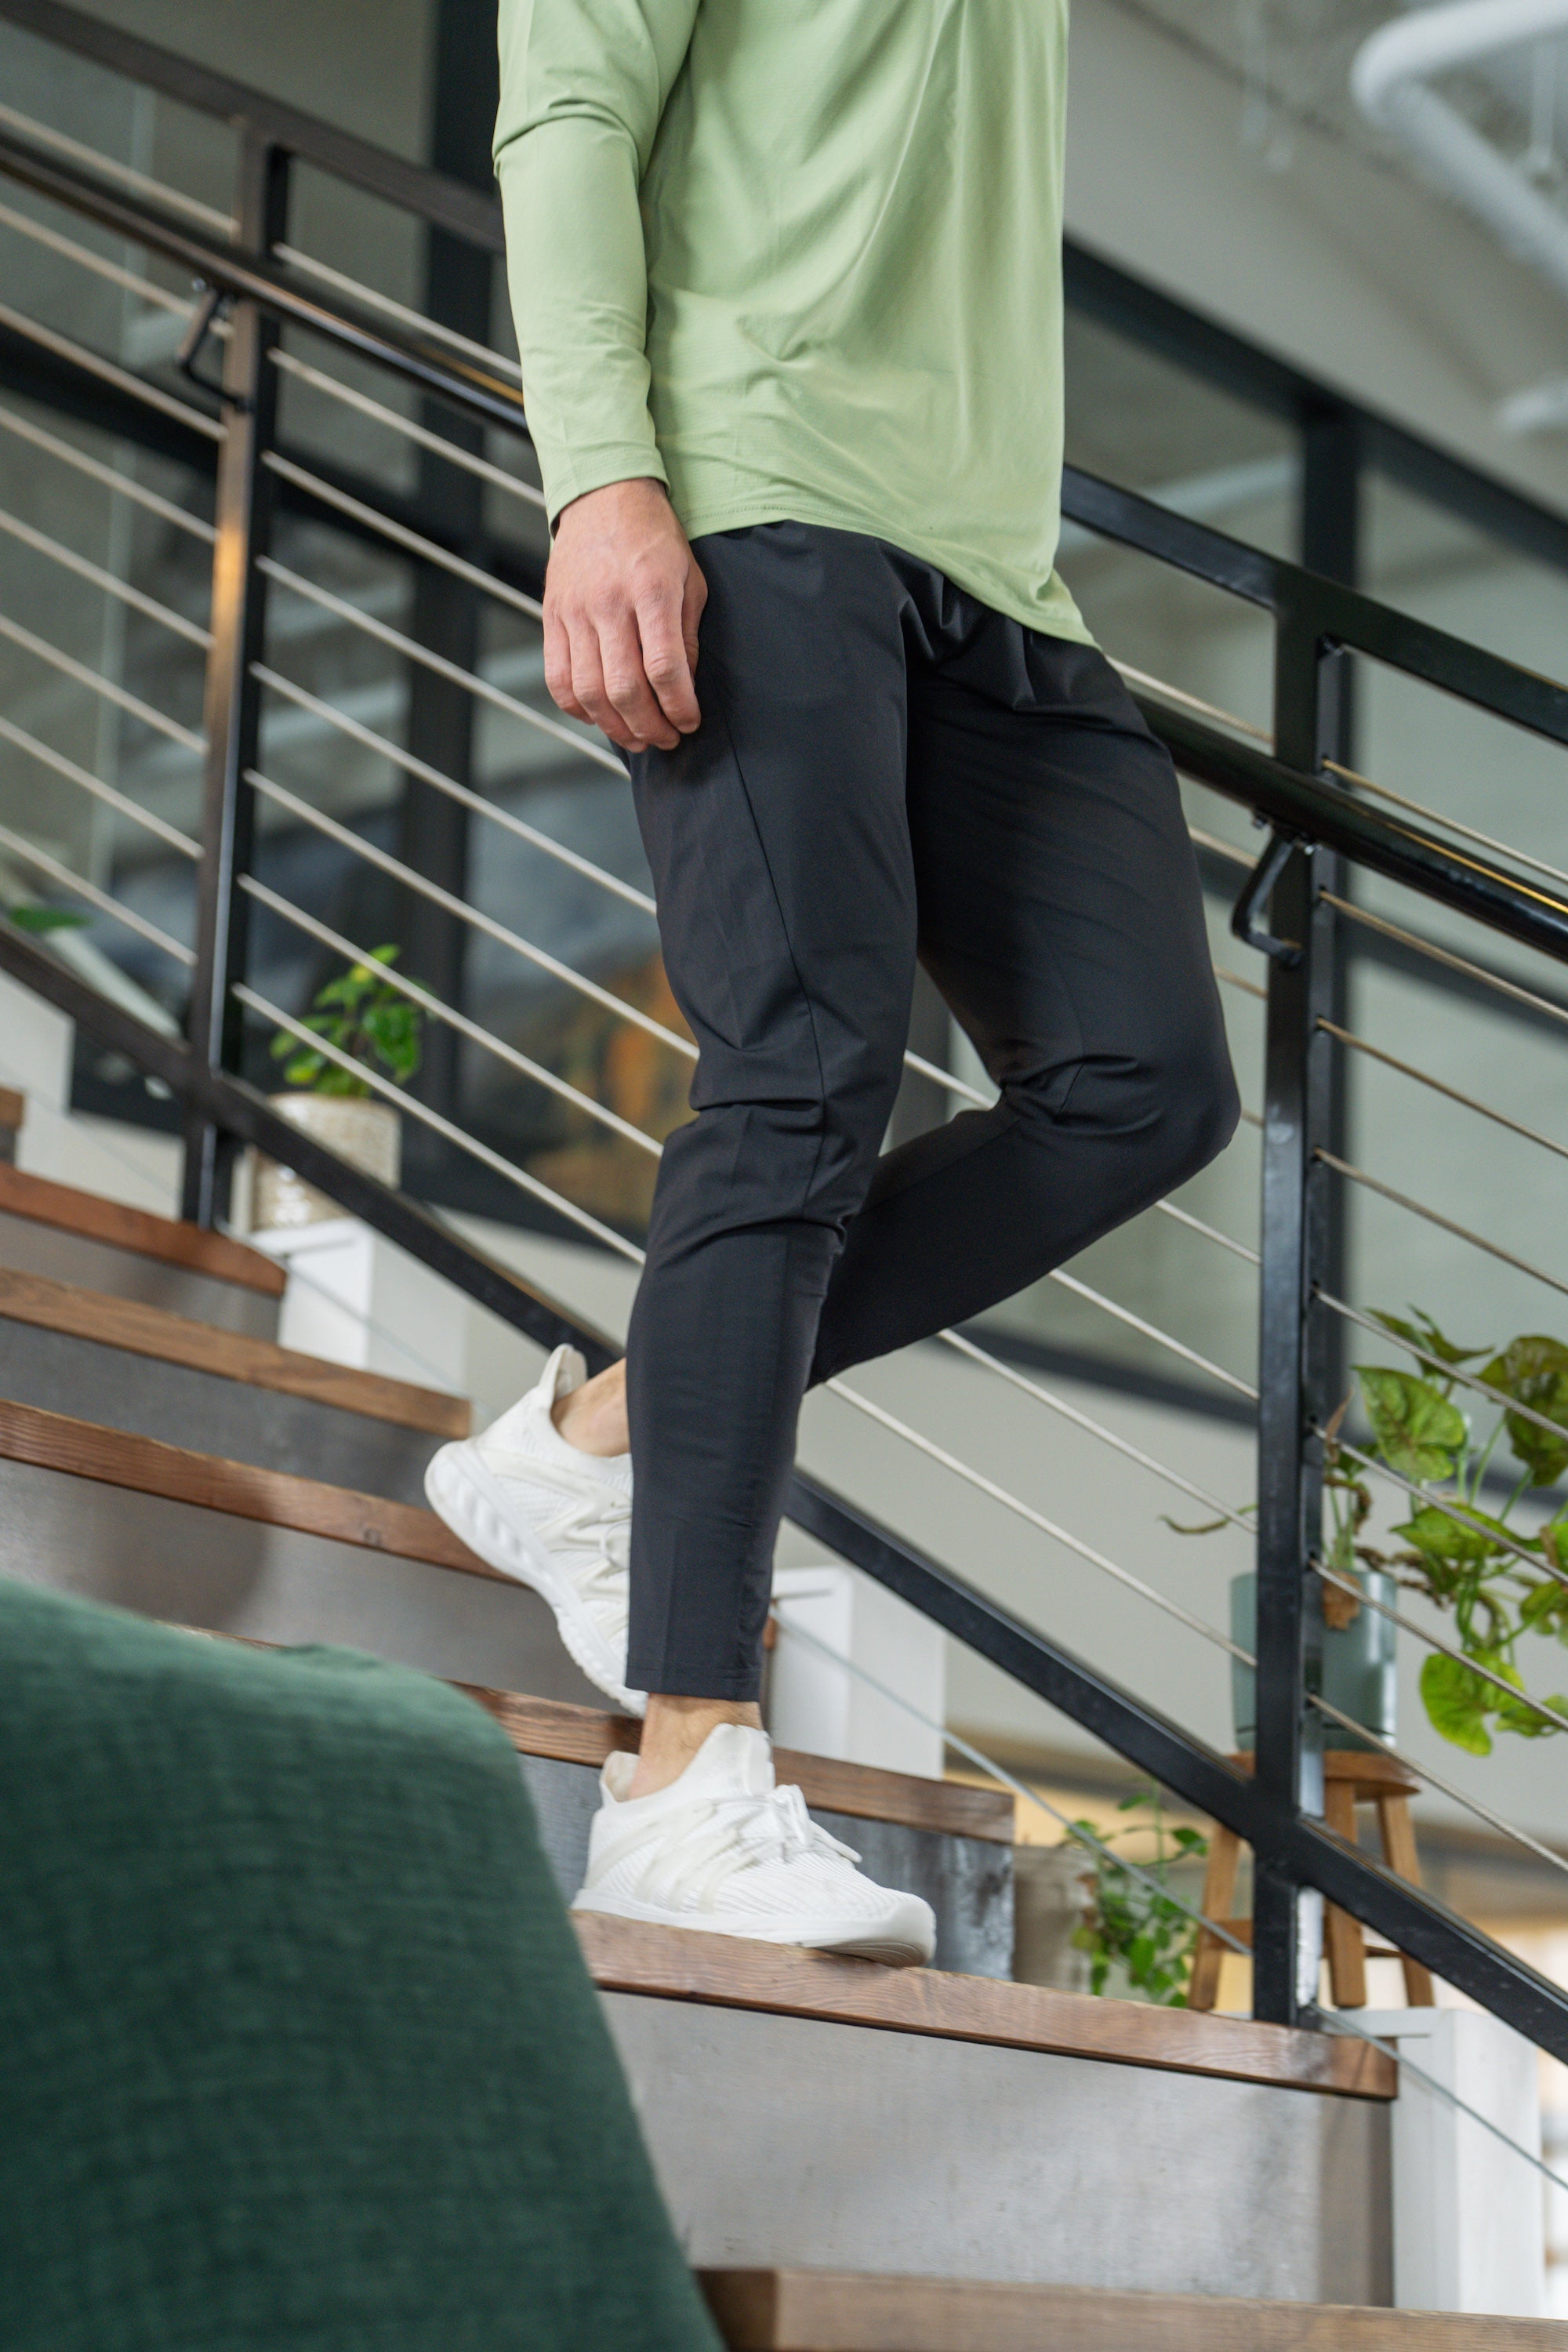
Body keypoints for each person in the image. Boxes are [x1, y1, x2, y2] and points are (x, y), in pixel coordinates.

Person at [426, 0, 1240, 1966]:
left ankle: (591, 1448)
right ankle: (680, 1782)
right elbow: (567, 110)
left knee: (1143, 1083)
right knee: (798, 1074)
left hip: (992, 565)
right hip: (751, 479)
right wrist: (600, 478)